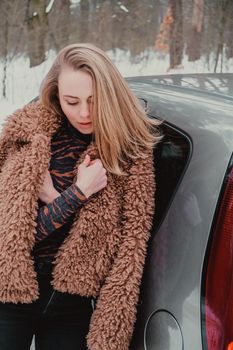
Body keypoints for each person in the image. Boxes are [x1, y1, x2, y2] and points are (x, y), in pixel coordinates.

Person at [0, 43, 160, 350]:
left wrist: (112, 325)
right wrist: (76, 194)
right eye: (72, 101)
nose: (84, 113)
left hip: (71, 301)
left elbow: (131, 245)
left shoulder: (130, 153)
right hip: (12, 290)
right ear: (55, 94)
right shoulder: (29, 137)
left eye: (94, 101)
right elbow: (13, 238)